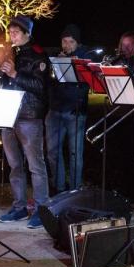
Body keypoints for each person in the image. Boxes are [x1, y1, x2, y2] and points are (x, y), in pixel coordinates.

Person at [0, 16, 51, 229]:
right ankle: (19, 206)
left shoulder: (38, 55)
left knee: (36, 165)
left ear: (27, 34)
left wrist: (14, 73)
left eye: (16, 33)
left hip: (29, 116)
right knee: (14, 165)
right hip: (8, 114)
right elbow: (4, 81)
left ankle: (41, 209)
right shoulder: (11, 52)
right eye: (11, 33)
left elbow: (40, 86)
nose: (12, 36)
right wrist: (1, 74)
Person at [46, 24, 90, 194]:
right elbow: (48, 82)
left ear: (77, 43)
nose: (67, 45)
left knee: (75, 154)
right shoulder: (55, 57)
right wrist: (56, 65)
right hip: (55, 109)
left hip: (75, 111)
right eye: (64, 41)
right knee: (52, 151)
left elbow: (87, 83)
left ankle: (75, 190)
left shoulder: (84, 58)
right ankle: (59, 188)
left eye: (71, 42)